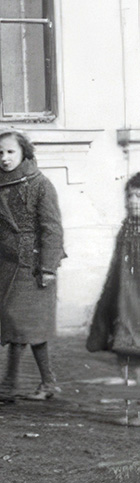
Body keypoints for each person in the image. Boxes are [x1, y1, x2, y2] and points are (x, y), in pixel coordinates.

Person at [0, 129, 65, 403]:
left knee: (19, 324)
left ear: (24, 152)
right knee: (28, 326)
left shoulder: (40, 184)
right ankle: (48, 383)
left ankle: (9, 384)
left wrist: (48, 267)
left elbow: (52, 229)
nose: (5, 158)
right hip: (8, 265)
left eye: (11, 151)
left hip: (33, 266)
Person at [88, 173, 140, 423]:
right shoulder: (125, 228)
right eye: (129, 195)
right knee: (124, 357)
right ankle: (130, 408)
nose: (132, 201)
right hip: (123, 303)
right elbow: (116, 268)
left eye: (138, 196)